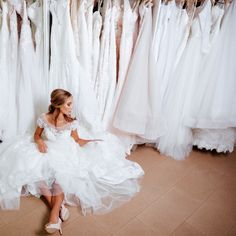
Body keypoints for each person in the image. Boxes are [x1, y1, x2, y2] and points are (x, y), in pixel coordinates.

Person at [0, 89, 144, 234]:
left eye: (71, 104)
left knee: (60, 179)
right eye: (68, 104)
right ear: (58, 105)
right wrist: (40, 142)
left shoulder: (72, 122)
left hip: (66, 154)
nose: (71, 107)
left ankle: (53, 217)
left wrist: (92, 141)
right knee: (36, 176)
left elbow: (77, 140)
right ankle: (59, 207)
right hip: (47, 151)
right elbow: (37, 135)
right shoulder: (43, 118)